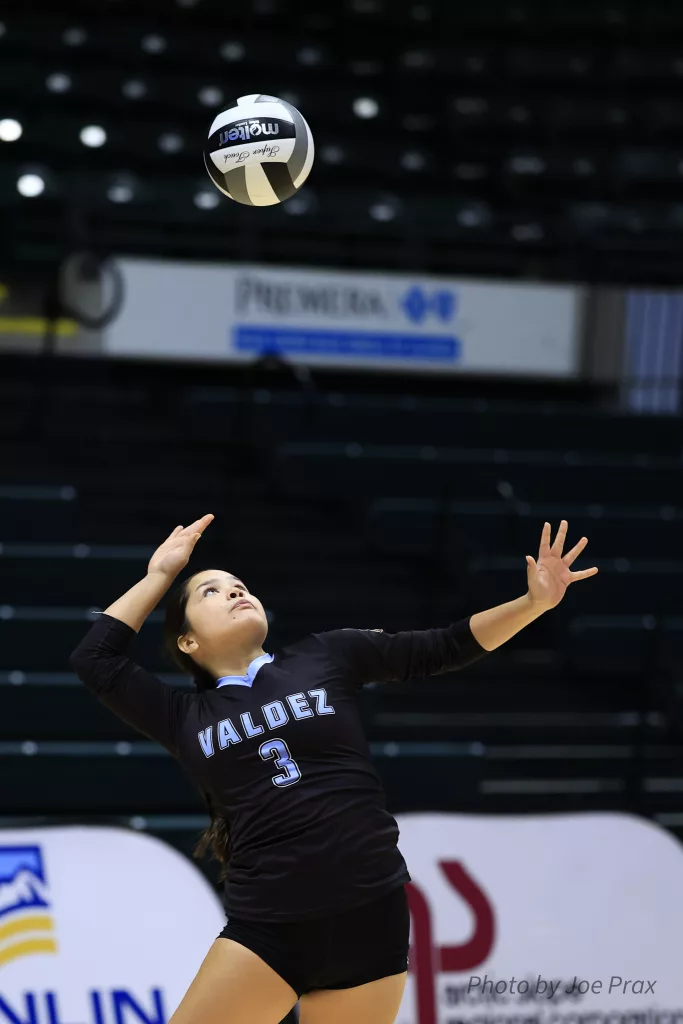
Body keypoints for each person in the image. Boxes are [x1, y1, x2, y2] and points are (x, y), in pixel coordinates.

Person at [68, 515, 597, 1024]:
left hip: (370, 916)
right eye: (211, 591)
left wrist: (533, 604)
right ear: (187, 642)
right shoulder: (182, 716)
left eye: (239, 584)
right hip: (270, 931)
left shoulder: (327, 655)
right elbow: (96, 659)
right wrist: (161, 576)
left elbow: (446, 645)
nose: (234, 591)